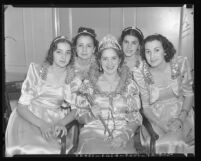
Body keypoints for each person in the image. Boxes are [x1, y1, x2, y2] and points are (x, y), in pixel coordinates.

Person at [64, 34, 142, 154]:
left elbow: (135, 118)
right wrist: (90, 114)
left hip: (122, 133)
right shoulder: (88, 84)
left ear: (120, 60)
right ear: (99, 61)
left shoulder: (129, 85)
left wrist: (124, 136)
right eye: (105, 59)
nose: (109, 63)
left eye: (113, 58)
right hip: (92, 132)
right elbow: (79, 117)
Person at [5, 36, 77, 156]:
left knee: (53, 150)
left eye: (67, 53)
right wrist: (41, 124)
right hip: (29, 116)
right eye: (59, 52)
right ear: (51, 53)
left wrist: (62, 123)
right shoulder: (37, 71)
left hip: (55, 119)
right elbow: (21, 107)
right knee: (28, 148)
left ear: (71, 56)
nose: (63, 57)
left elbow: (76, 110)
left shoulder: (72, 77)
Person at [133, 34, 194, 155]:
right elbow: (145, 107)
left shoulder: (180, 64)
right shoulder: (141, 73)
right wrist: (162, 125)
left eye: (156, 50)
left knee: (174, 141)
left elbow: (189, 94)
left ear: (165, 51)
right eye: (148, 51)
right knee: (160, 143)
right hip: (155, 118)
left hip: (182, 113)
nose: (152, 56)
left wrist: (180, 120)